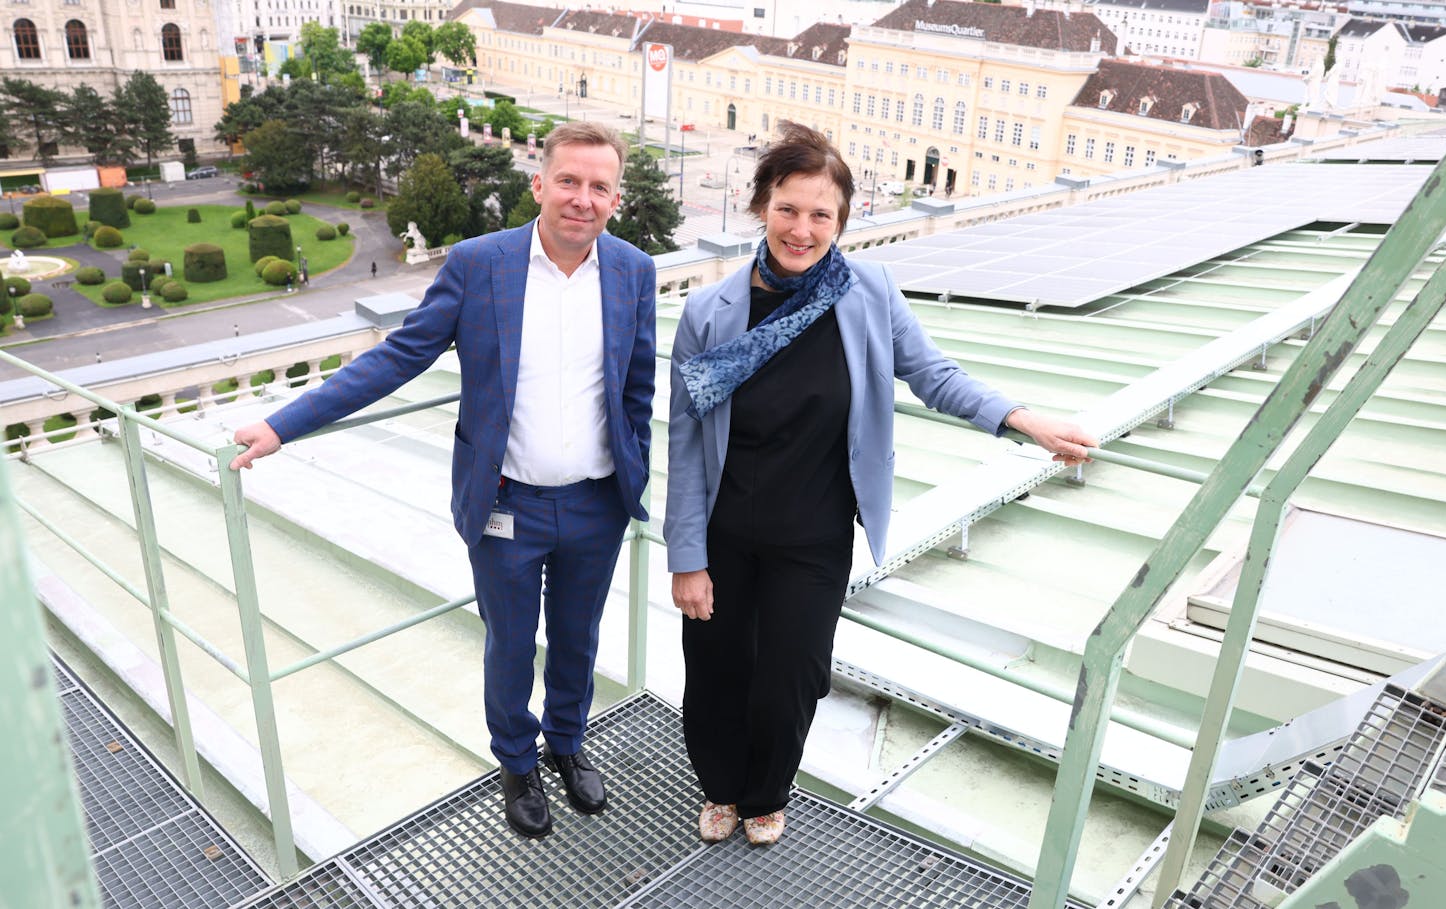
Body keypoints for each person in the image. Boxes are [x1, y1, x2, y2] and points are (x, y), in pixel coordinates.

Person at [664, 122, 1096, 846]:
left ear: (843, 218)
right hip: (723, 532)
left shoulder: (867, 293)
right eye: (788, 209)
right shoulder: (710, 312)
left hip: (814, 535)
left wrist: (1024, 419)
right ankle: (720, 788)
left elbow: (932, 374)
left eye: (820, 214)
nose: (801, 229)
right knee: (714, 674)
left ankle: (767, 792)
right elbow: (683, 438)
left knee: (791, 677)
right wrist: (686, 555)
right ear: (761, 206)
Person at [230, 121, 657, 841]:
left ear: (617, 196)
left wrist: (633, 466)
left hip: (595, 503)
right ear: (539, 184)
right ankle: (517, 762)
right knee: (510, 644)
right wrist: (285, 423)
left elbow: (636, 385)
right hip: (505, 505)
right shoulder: (478, 263)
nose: (582, 199)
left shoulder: (631, 271)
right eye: (569, 181)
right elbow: (396, 358)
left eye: (599, 186)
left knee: (579, 638)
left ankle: (568, 743)